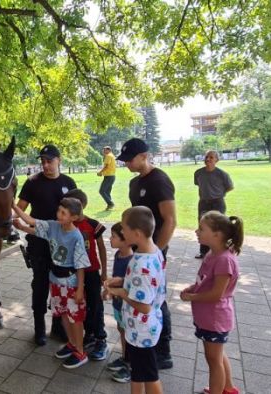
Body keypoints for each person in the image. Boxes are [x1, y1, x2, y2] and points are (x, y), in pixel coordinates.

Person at [117, 137, 175, 369]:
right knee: (137, 292)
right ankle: (139, 342)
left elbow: (170, 221)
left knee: (156, 300)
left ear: (144, 156)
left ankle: (163, 352)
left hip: (153, 252)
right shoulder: (134, 183)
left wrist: (156, 254)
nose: (127, 164)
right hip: (139, 250)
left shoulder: (160, 180)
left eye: (130, 160)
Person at [12, 198, 91, 369]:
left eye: (64, 213)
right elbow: (32, 223)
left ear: (74, 217)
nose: (59, 215)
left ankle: (80, 351)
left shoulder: (76, 236)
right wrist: (16, 212)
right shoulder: (54, 226)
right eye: (59, 211)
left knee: (75, 318)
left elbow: (80, 266)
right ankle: (71, 344)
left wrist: (79, 289)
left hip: (70, 283)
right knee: (63, 314)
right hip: (55, 281)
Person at [16, 144, 77, 346]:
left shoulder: (69, 182)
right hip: (39, 245)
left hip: (62, 247)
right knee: (40, 285)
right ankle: (39, 328)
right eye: (42, 161)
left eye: (49, 161)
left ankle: (58, 328)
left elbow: (76, 214)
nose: (45, 165)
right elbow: (20, 208)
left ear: (59, 160)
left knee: (61, 286)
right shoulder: (32, 182)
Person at [181, 212, 243, 394]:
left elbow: (217, 294)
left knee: (213, 360)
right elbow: (205, 281)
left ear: (217, 234)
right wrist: (192, 288)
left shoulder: (224, 260)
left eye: (201, 229)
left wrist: (192, 297)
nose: (196, 231)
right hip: (208, 317)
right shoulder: (213, 253)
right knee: (217, 355)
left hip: (215, 319)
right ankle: (228, 388)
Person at [105, 206, 165, 394]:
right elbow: (146, 285)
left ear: (137, 233)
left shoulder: (143, 266)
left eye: (124, 228)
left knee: (149, 375)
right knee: (138, 372)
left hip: (142, 329)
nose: (122, 231)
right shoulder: (152, 250)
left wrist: (120, 291)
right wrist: (123, 280)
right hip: (141, 327)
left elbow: (144, 306)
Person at [63, 188, 109, 361]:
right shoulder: (66, 225)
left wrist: (104, 271)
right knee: (80, 306)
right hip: (73, 274)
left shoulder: (92, 225)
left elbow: (102, 249)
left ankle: (100, 339)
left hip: (91, 273)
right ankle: (87, 335)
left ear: (80, 205)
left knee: (95, 305)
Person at [104, 222, 134, 383]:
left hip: (127, 305)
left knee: (129, 334)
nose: (110, 239)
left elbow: (129, 284)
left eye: (114, 236)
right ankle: (125, 357)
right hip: (117, 303)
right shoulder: (118, 255)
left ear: (126, 240)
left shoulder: (132, 260)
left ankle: (132, 366)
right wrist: (108, 288)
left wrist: (112, 287)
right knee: (121, 330)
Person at [194, 150, 234, 259]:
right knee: (203, 227)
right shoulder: (198, 173)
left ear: (216, 160)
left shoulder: (222, 174)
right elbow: (198, 184)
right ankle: (203, 252)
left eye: (211, 157)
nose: (208, 159)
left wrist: (220, 194)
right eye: (206, 157)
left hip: (218, 203)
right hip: (203, 203)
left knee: (218, 228)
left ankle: (218, 251)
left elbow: (230, 187)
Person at [97, 146, 117, 210]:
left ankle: (110, 204)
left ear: (108, 150)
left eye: (104, 150)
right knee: (107, 192)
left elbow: (106, 166)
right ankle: (110, 205)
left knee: (102, 191)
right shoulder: (112, 156)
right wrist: (102, 173)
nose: (103, 151)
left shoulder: (108, 156)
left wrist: (100, 172)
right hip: (111, 176)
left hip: (109, 176)